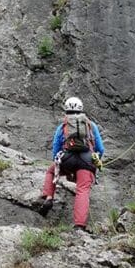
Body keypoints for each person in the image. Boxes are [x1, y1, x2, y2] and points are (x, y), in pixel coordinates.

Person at [34, 96, 105, 231]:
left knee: (50, 171)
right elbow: (100, 149)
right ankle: (79, 225)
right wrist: (95, 160)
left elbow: (56, 149)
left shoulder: (63, 126)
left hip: (67, 158)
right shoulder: (91, 125)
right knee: (82, 190)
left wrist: (62, 166)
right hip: (87, 160)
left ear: (66, 110)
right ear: (81, 109)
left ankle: (48, 197)